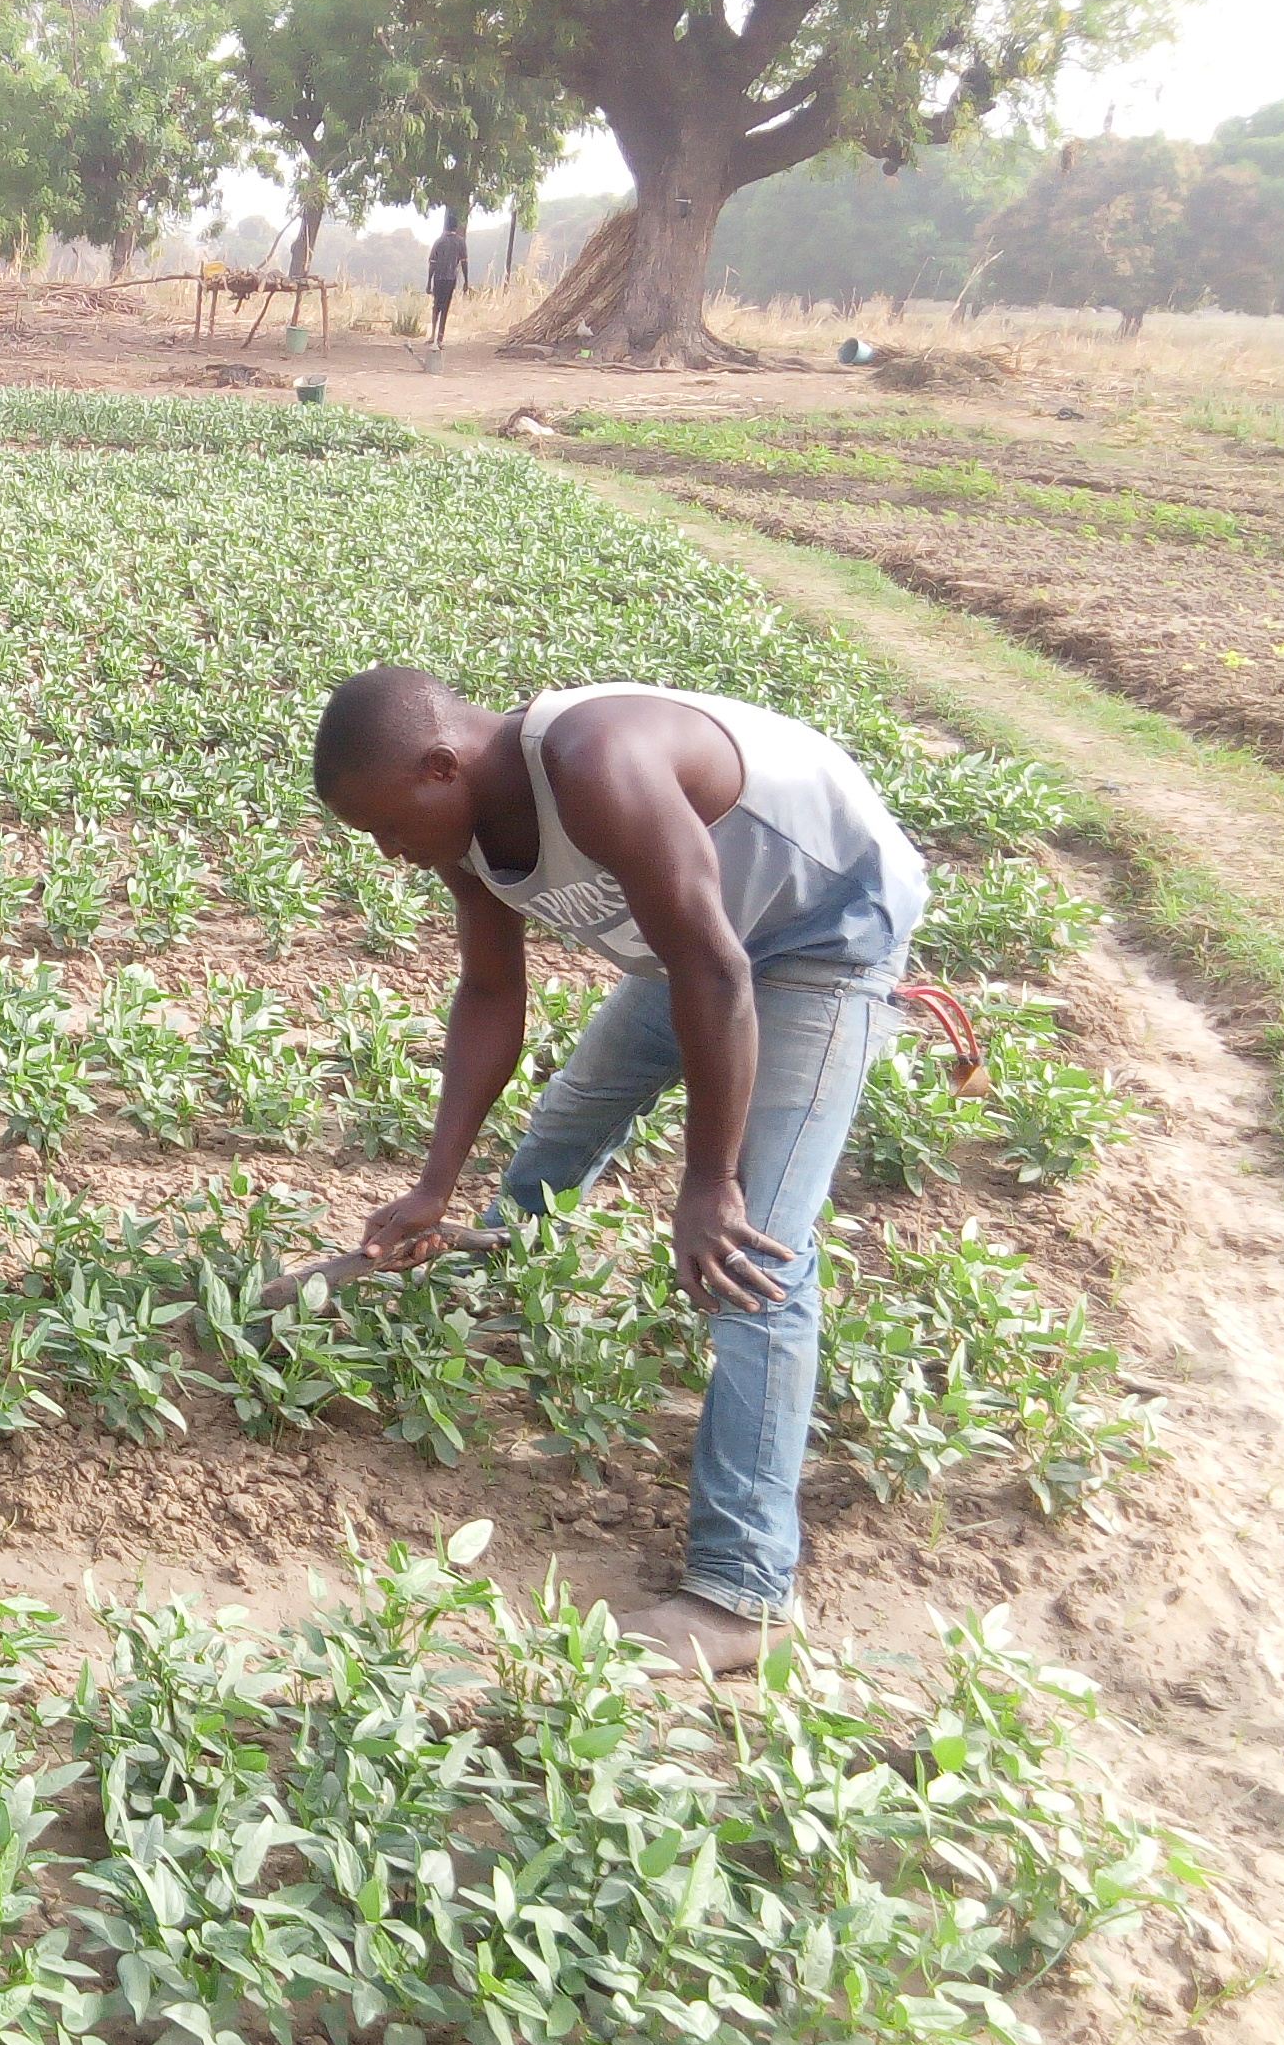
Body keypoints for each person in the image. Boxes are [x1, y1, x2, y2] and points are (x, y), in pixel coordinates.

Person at [309, 666, 930, 1675]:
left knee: (753, 1255)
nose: (388, 852)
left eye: (386, 827)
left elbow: (718, 972)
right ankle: (502, 1290)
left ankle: (745, 1592)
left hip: (821, 937)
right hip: (700, 946)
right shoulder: (465, 832)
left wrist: (710, 1182)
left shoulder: (596, 760)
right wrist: (434, 1186)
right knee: (570, 1123)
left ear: (440, 766)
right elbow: (489, 994)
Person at [426, 219, 470, 349]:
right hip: (451, 279)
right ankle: (440, 338)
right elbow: (464, 263)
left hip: (438, 278)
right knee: (445, 307)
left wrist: (429, 282)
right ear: (456, 228)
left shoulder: (439, 241)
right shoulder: (460, 242)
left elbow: (432, 264)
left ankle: (432, 335)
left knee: (436, 306)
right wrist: (466, 281)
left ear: (445, 227)